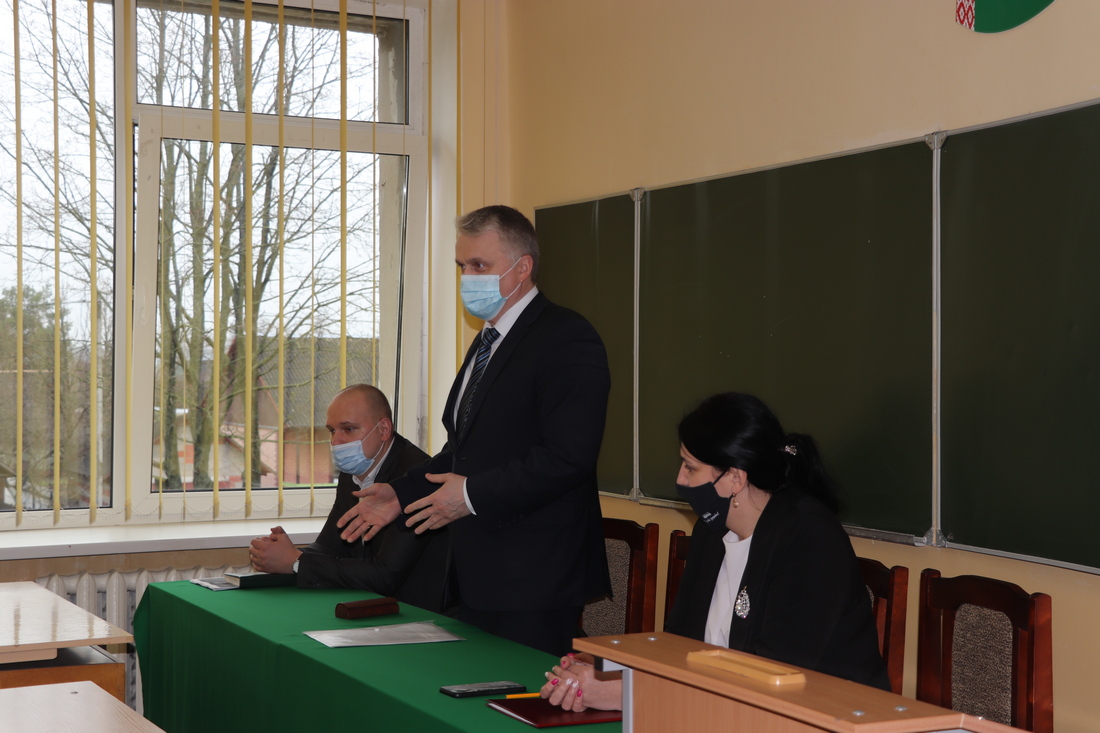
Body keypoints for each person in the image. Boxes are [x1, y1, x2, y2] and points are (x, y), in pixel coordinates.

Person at [336, 205, 612, 655]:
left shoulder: (566, 337)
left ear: (522, 268)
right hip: (476, 570)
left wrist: (468, 495)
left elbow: (568, 456)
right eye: (462, 266)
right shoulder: (487, 341)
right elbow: (462, 451)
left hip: (534, 575)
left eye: (479, 265)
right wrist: (400, 494)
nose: (467, 277)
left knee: (521, 696)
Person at [541, 392, 890, 711]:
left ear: (735, 478)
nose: (681, 479)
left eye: (691, 467)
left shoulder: (809, 538)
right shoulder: (712, 531)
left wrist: (630, 695)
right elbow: (679, 645)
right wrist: (609, 669)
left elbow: (774, 681)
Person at [248, 384, 450, 614]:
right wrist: (284, 553)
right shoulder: (354, 470)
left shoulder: (416, 479)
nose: (336, 442)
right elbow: (332, 545)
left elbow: (385, 575)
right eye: (332, 431)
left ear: (383, 429)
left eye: (349, 429)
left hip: (419, 615)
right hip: (369, 609)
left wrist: (296, 563)